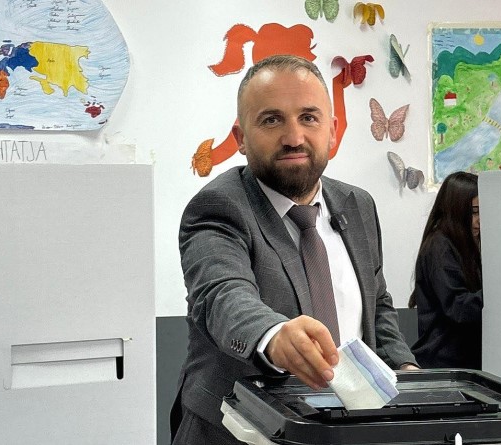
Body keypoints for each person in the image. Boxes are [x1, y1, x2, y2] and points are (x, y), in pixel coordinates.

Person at [171, 54, 417, 445]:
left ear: (332, 130)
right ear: (240, 138)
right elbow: (222, 294)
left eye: (308, 117)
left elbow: (377, 304)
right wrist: (274, 335)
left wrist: (403, 367)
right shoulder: (218, 207)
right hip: (238, 433)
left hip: (345, 429)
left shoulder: (358, 204)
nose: (294, 137)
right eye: (271, 120)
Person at [408, 171, 483, 369]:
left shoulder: (469, 244)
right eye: (474, 212)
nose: (480, 220)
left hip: (463, 362)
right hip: (444, 363)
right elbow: (458, 307)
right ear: (457, 209)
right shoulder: (439, 246)